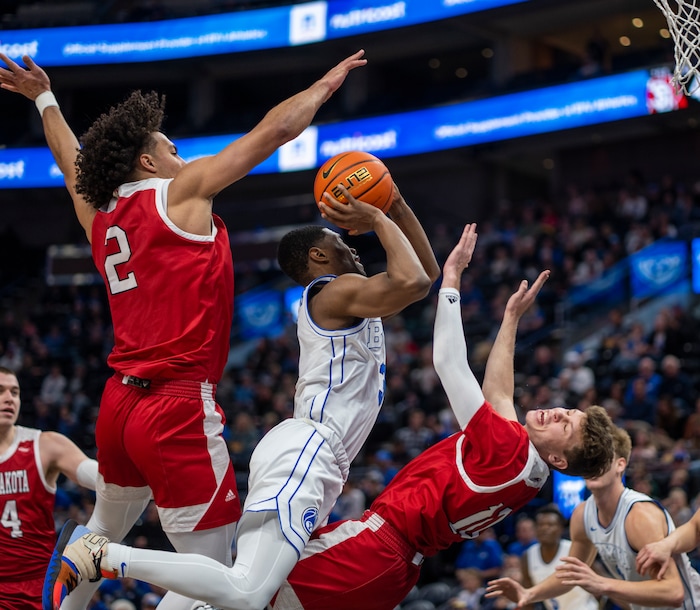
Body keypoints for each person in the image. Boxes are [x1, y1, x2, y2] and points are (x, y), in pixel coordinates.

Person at [47, 223, 615, 610]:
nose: (556, 411)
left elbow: (460, 360)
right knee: (244, 591)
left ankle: (103, 557)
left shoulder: (512, 448)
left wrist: (425, 252)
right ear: (317, 260)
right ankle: (104, 554)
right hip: (313, 451)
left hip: (325, 464)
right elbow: (481, 368)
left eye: (564, 421)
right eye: (342, 241)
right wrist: (487, 302)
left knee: (231, 588)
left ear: (560, 454)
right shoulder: (331, 291)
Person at [0, 49, 368, 610]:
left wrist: (44, 98)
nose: (183, 153)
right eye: (171, 147)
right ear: (146, 163)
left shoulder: (98, 216)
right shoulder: (181, 193)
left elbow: (68, 158)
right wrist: (324, 84)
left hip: (118, 404)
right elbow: (273, 132)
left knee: (103, 525)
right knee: (216, 577)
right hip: (175, 406)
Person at [486, 426, 700, 609]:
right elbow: (572, 576)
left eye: (602, 458)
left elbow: (673, 592)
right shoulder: (582, 514)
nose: (594, 466)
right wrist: (529, 594)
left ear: (620, 465)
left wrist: (601, 583)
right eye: (589, 458)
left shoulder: (639, 516)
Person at [0, 366, 98, 610]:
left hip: (38, 586)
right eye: (0, 391)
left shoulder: (44, 445)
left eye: (15, 392)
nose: (9, 398)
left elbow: (96, 475)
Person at [520, 503, 598, 610]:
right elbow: (527, 600)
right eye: (540, 524)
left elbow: (600, 584)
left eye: (550, 524)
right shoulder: (528, 556)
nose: (544, 528)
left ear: (561, 528)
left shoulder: (576, 550)